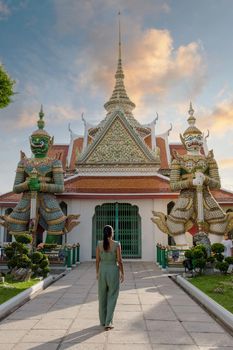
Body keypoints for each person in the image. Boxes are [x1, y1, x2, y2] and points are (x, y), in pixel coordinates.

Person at [96, 225, 124, 331]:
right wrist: (122, 273)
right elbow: (120, 260)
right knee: (112, 295)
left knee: (102, 295)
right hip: (113, 270)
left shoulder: (99, 244)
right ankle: (108, 322)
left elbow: (97, 260)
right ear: (112, 233)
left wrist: (97, 272)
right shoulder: (116, 244)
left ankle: (103, 321)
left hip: (102, 270)